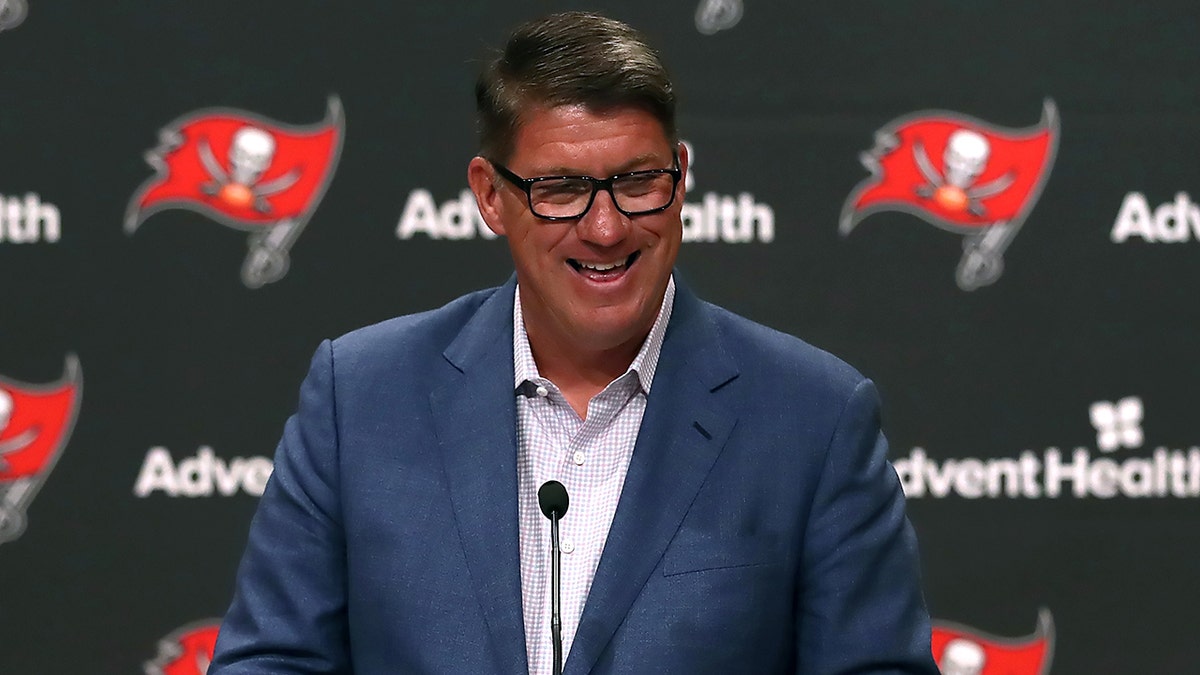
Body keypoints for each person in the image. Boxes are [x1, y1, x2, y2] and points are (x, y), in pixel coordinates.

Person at [210, 11, 937, 675]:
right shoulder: (359, 397)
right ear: (491, 196)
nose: (606, 227)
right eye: (561, 188)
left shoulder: (813, 418)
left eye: (637, 181)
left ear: (680, 179)